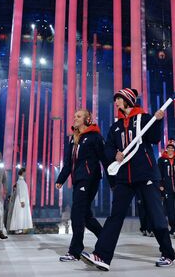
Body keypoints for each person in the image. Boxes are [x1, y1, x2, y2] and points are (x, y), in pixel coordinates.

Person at [81, 88, 175, 271]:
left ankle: (168, 253)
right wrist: (114, 154)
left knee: (156, 217)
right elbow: (108, 148)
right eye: (116, 99)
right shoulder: (115, 127)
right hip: (124, 178)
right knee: (115, 216)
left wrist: (158, 120)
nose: (116, 102)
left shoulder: (144, 119)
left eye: (119, 99)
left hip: (147, 175)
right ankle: (101, 255)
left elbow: (155, 138)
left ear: (128, 100)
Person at [55, 109, 110, 262]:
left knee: (77, 214)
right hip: (78, 179)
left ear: (87, 119)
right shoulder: (73, 138)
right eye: (74, 116)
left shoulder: (95, 136)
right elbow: (68, 163)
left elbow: (104, 159)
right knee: (85, 215)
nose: (75, 118)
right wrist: (61, 179)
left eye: (78, 116)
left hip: (90, 179)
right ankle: (107, 239)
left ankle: (74, 251)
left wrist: (112, 181)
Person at [9, 168, 33, 233]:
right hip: (21, 201)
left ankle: (19, 229)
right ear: (23, 173)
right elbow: (21, 192)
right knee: (20, 215)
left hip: (19, 200)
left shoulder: (19, 181)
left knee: (19, 215)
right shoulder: (21, 181)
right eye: (25, 172)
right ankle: (19, 229)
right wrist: (22, 201)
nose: (26, 174)